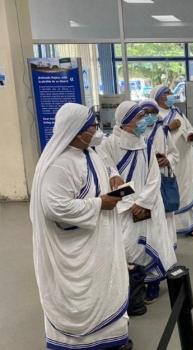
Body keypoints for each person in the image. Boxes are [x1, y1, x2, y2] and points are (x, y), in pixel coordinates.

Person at [30, 103, 132, 350]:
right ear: (76, 132)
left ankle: (110, 337)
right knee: (83, 297)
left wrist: (113, 174)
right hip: (77, 250)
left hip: (100, 243)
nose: (97, 131)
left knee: (105, 290)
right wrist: (99, 204)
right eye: (92, 127)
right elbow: (54, 208)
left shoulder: (88, 151)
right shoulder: (60, 165)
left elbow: (103, 165)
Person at [96, 101, 177, 305]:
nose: (143, 121)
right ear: (124, 121)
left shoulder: (146, 142)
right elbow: (106, 166)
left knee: (153, 240)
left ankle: (153, 283)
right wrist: (115, 176)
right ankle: (133, 285)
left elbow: (153, 176)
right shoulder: (109, 143)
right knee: (128, 246)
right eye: (138, 117)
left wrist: (144, 202)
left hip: (149, 202)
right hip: (123, 205)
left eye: (143, 116)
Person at [139, 99, 180, 302]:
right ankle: (142, 278)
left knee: (160, 232)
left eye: (153, 112)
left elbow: (175, 154)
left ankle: (156, 278)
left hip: (160, 185)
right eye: (145, 112)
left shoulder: (163, 132)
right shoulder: (133, 134)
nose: (149, 116)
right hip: (139, 190)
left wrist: (167, 159)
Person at [151, 86, 193, 237]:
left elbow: (189, 129)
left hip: (186, 158)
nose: (171, 95)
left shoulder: (177, 112)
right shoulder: (154, 115)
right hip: (169, 162)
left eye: (170, 92)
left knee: (187, 190)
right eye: (167, 93)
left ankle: (189, 224)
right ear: (159, 97)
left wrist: (191, 136)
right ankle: (173, 229)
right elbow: (151, 136)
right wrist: (168, 127)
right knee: (173, 192)